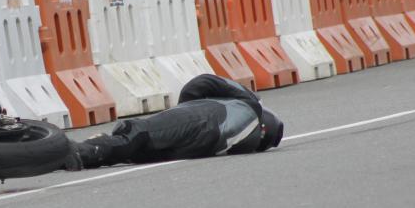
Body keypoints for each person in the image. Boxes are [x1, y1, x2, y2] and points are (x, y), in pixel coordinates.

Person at [68, 74, 284, 170]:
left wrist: (186, 106)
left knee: (138, 132)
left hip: (199, 121)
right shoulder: (247, 145)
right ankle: (70, 159)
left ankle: (80, 152)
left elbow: (201, 82)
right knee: (133, 149)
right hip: (194, 149)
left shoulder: (250, 104)